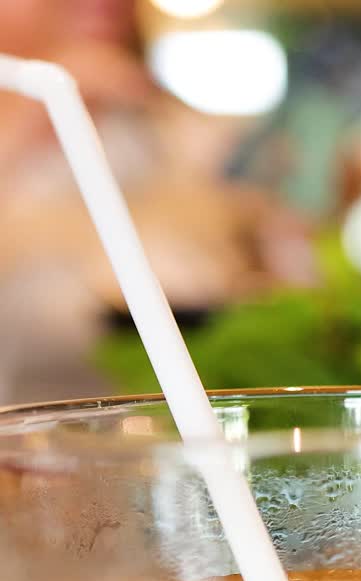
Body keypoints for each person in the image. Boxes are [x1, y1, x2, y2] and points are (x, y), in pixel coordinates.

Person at [0, 0, 310, 403]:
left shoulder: (177, 133)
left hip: (158, 430)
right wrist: (24, 127)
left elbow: (269, 273)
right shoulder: (28, 127)